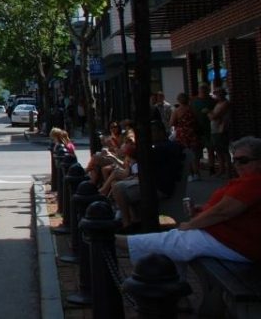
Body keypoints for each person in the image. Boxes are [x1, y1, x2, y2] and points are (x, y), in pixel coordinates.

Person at [118, 136, 261, 267]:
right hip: (229, 236)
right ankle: (174, 286)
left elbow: (222, 212)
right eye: (234, 160)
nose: (237, 165)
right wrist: (202, 209)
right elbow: (228, 209)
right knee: (175, 246)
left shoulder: (253, 182)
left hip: (236, 242)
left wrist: (191, 224)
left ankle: (118, 242)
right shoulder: (247, 181)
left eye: (243, 161)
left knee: (175, 240)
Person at [110, 121, 185, 230]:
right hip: (159, 184)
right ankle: (135, 219)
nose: (151, 135)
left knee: (118, 188)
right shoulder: (166, 146)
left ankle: (127, 224)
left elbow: (144, 161)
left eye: (153, 132)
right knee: (122, 184)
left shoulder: (159, 148)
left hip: (158, 188)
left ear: (161, 132)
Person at [169, 92, 201, 180]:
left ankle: (190, 174)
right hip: (192, 132)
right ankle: (197, 174)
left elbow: (171, 123)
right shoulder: (192, 109)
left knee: (186, 154)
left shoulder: (177, 110)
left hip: (182, 134)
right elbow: (197, 121)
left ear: (179, 100)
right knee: (194, 154)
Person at [192, 83, 215, 175]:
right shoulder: (194, 101)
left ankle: (211, 168)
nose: (203, 91)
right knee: (197, 151)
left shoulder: (212, 101)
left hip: (209, 129)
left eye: (205, 90)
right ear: (199, 90)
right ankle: (196, 170)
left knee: (210, 149)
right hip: (197, 129)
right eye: (202, 90)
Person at [210, 88, 232, 177]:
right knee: (218, 150)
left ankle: (229, 171)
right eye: (216, 94)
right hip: (215, 129)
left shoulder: (225, 103)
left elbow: (214, 116)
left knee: (224, 150)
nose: (217, 96)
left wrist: (208, 112)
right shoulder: (217, 103)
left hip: (221, 129)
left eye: (218, 94)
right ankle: (221, 169)